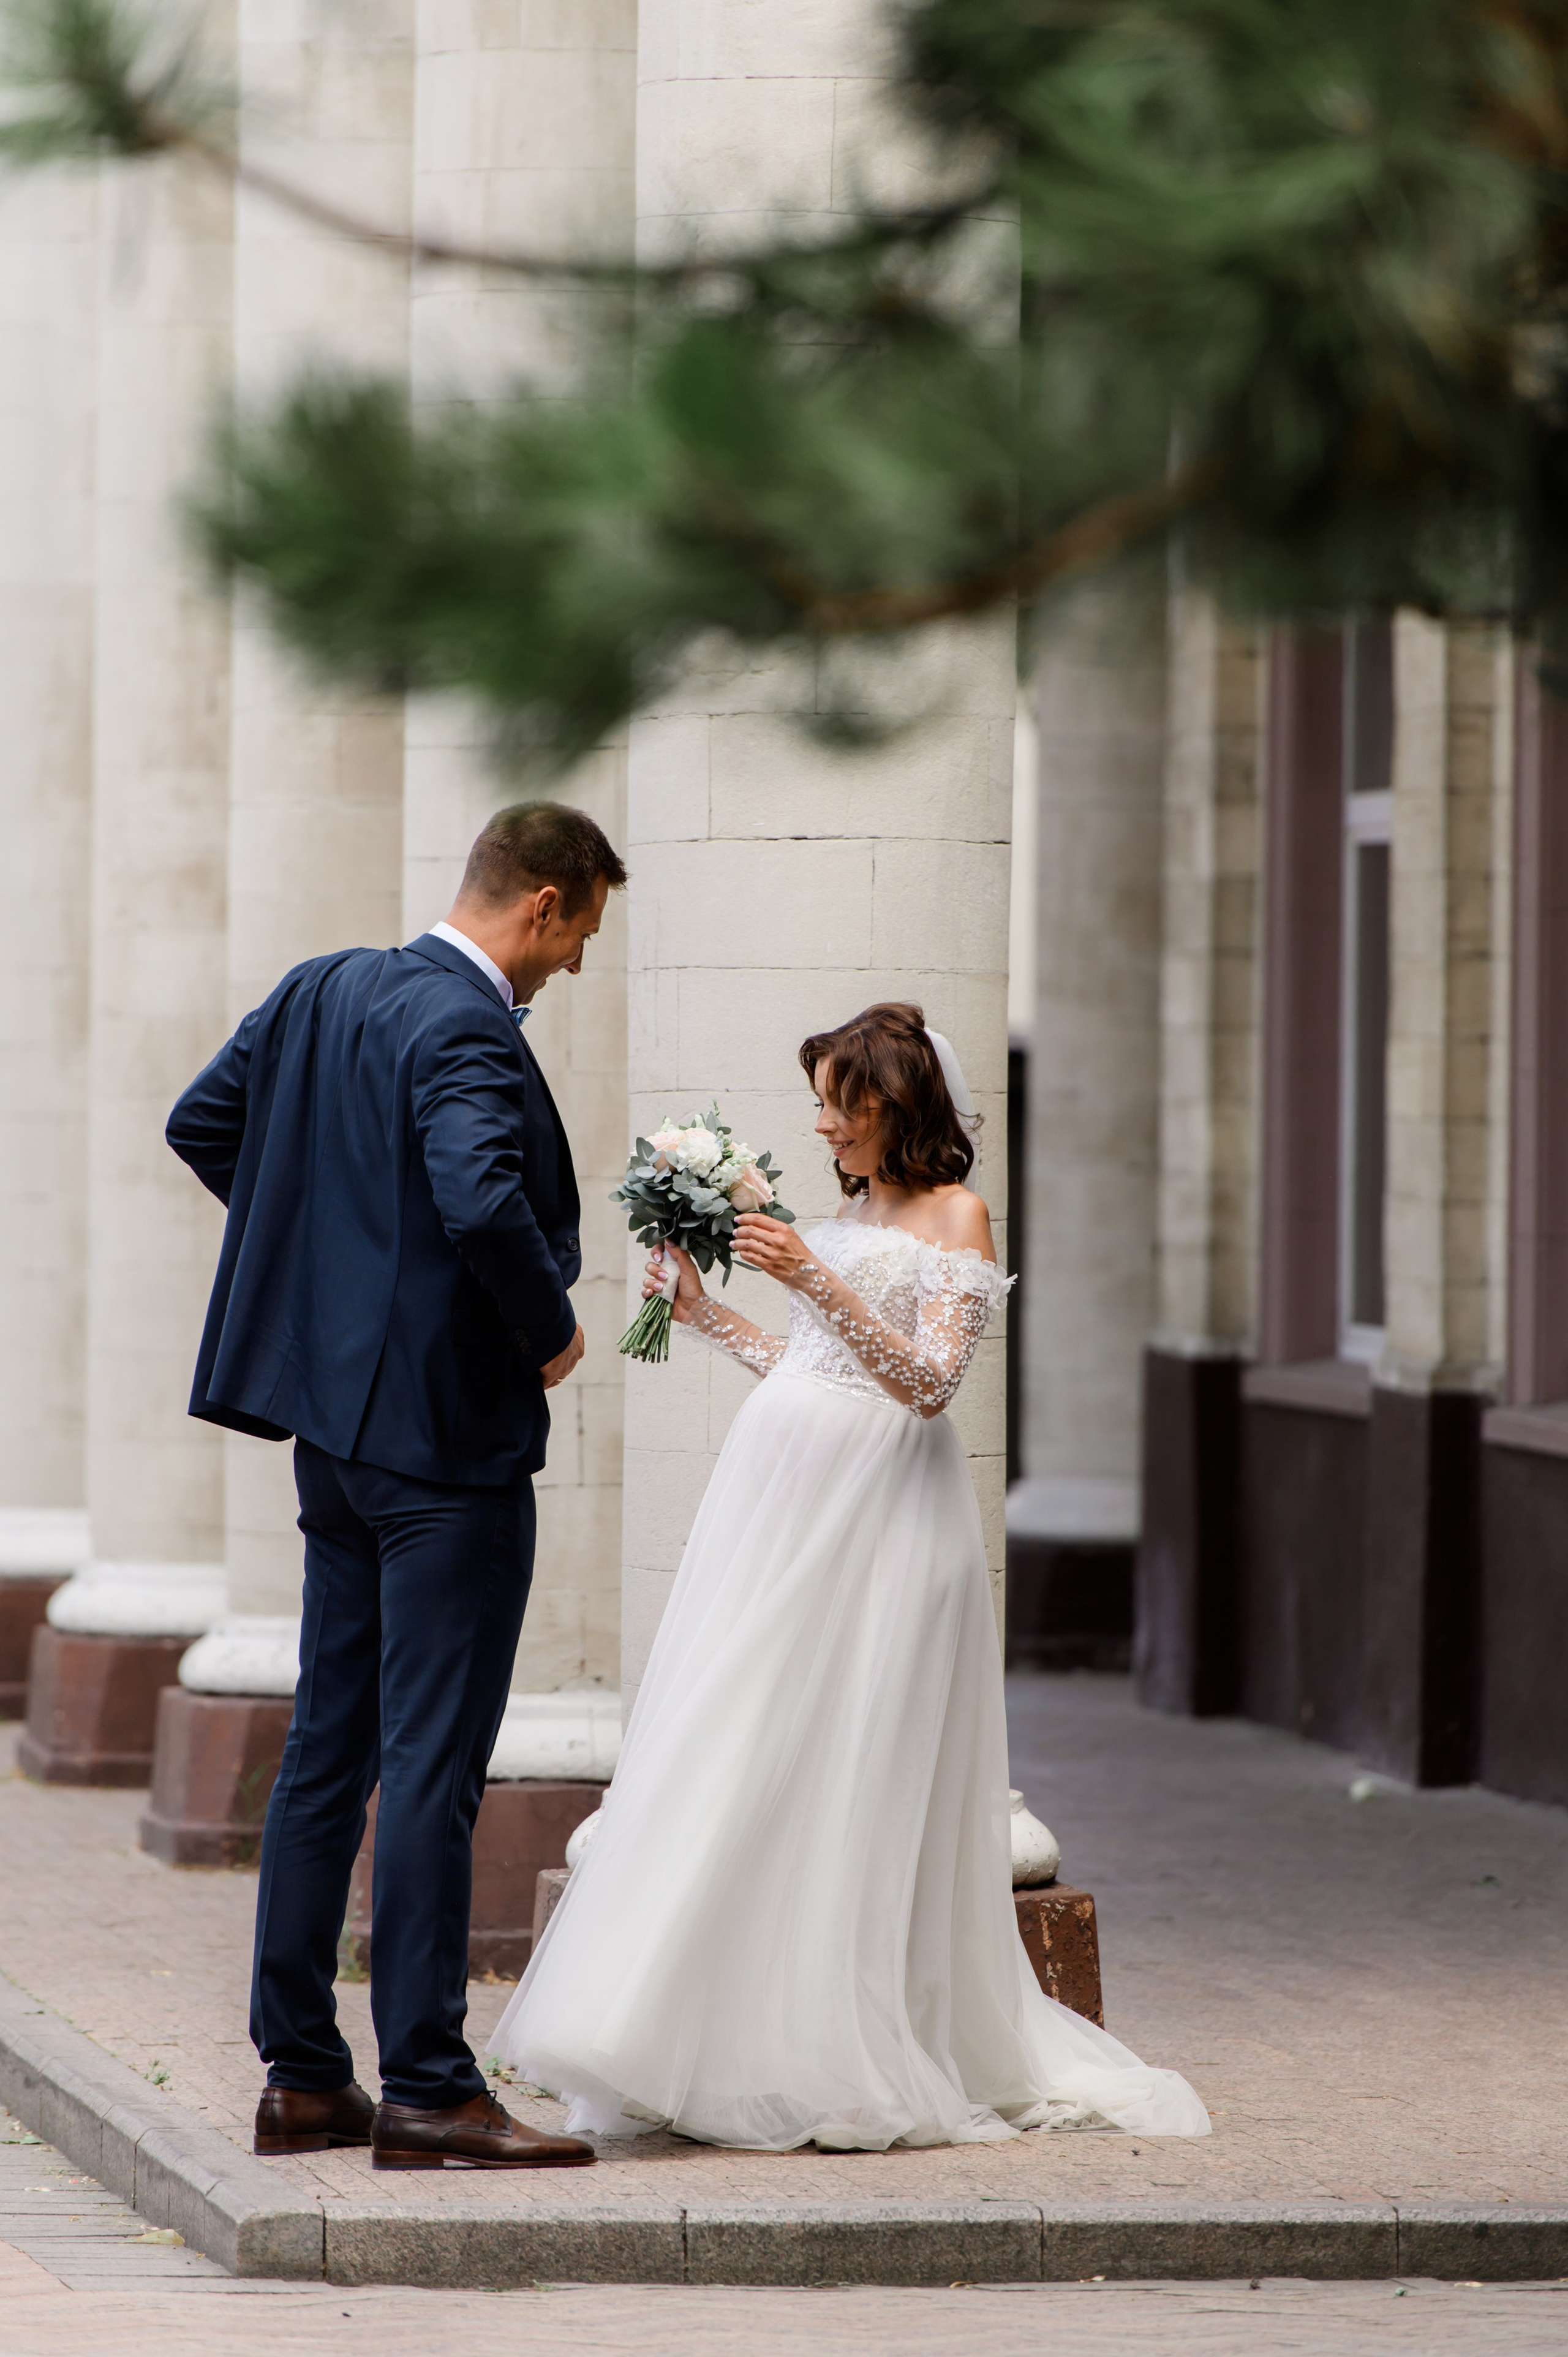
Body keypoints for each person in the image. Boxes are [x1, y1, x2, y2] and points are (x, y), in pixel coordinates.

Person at [496, 1001, 1209, 2150]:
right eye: (821, 1102)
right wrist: (711, 1313)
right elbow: (816, 1368)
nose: (823, 1125)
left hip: (883, 1517)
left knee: (851, 1756)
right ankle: (699, 2034)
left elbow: (928, 1386)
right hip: (785, 1500)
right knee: (747, 1735)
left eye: (842, 1103)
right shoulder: (849, 1208)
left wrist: (816, 1279)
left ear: (895, 1107)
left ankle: (844, 2047)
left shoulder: (958, 1216)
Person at [166, 802, 626, 2172]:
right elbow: (483, 1202)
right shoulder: (468, 1025)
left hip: (336, 1445)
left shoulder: (322, 990)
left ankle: (303, 2078)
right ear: (539, 903)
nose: (575, 968)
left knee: (328, 1747)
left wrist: (335, 1265)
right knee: (429, 1759)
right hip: (445, 1450)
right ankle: (427, 2081)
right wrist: (547, 1330)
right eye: (580, 935)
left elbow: (205, 1125)